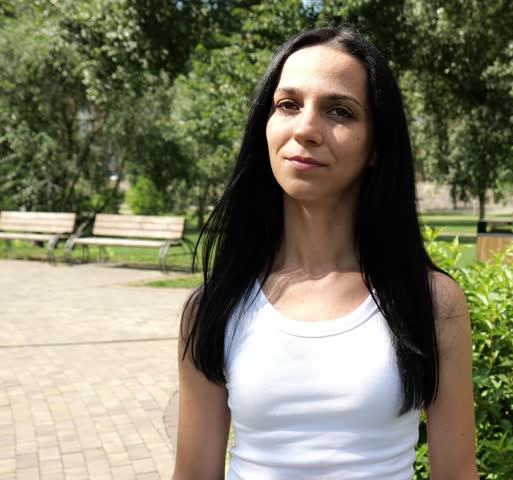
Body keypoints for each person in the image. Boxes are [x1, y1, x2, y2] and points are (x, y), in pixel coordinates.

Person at [172, 26, 477, 480]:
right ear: (266, 127)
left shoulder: (431, 302)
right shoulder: (213, 307)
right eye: (288, 105)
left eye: (340, 111)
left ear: (376, 146)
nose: (307, 129)